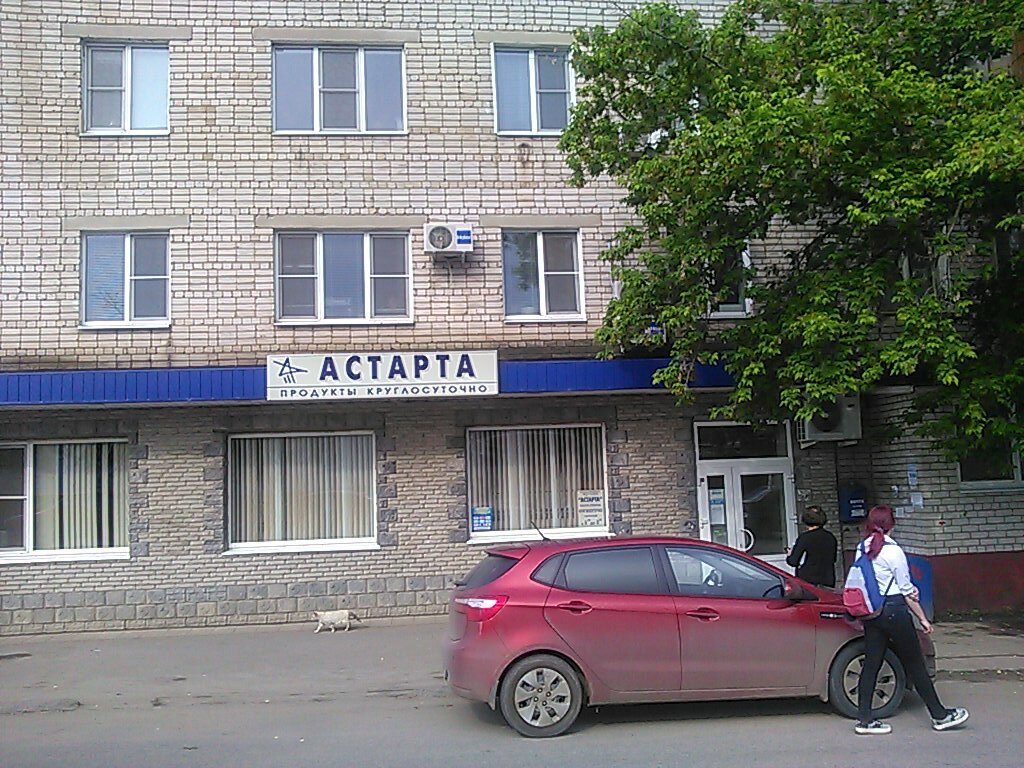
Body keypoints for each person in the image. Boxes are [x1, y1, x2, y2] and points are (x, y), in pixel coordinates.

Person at [852, 505, 969, 735]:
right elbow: (906, 591)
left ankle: (864, 720)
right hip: (894, 611)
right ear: (891, 526)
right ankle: (940, 715)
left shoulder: (862, 547)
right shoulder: (894, 552)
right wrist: (923, 619)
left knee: (872, 663)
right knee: (915, 663)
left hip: (872, 612)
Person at [786, 505, 838, 587]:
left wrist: (789, 554)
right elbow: (834, 559)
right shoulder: (830, 537)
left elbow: (793, 561)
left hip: (808, 582)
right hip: (828, 581)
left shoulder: (804, 538)